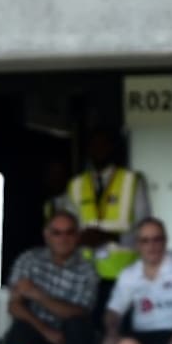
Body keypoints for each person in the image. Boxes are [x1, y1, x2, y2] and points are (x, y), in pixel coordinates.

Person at [3, 210, 98, 344]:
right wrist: (45, 330)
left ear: (77, 236)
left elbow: (79, 311)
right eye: (57, 232)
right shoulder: (28, 260)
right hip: (36, 330)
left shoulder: (87, 269)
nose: (63, 238)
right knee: (20, 331)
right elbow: (14, 306)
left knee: (79, 327)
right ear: (46, 235)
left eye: (69, 232)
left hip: (71, 339)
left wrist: (36, 294)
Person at [64, 127, 150, 298]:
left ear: (112, 148)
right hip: (85, 274)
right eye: (94, 145)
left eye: (103, 144)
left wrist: (109, 237)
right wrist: (81, 239)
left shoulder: (131, 181)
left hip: (125, 274)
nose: (98, 149)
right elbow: (67, 230)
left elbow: (144, 231)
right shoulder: (76, 185)